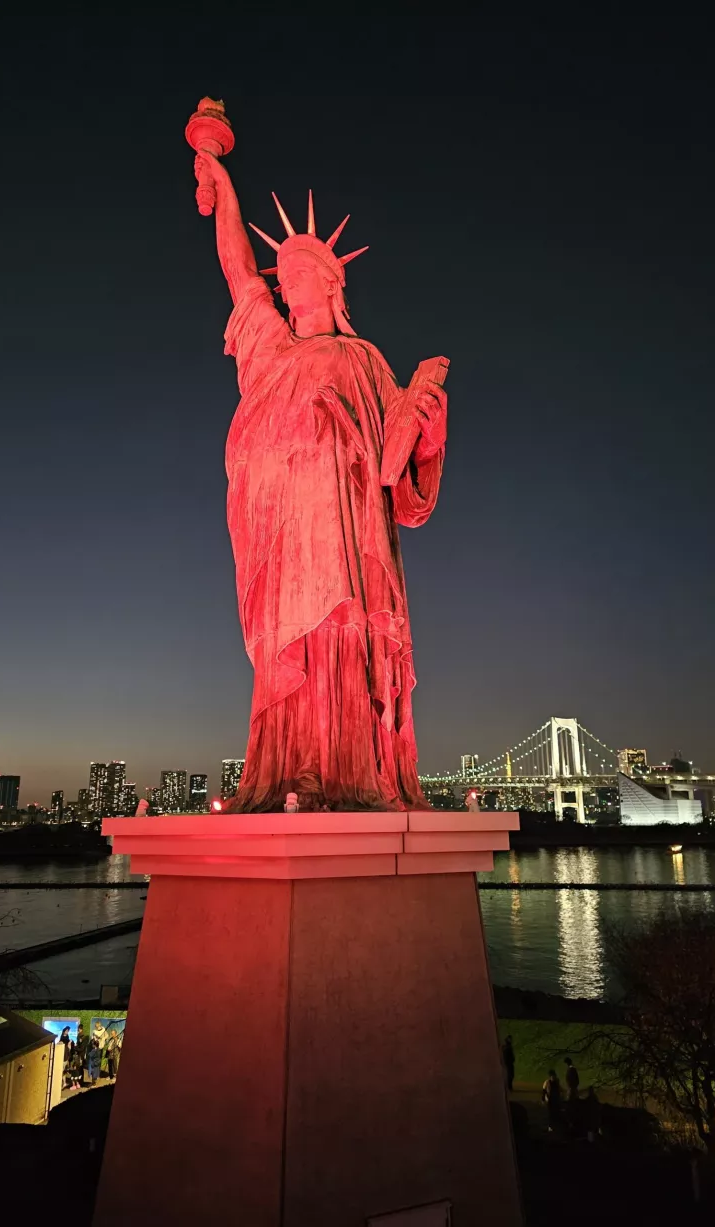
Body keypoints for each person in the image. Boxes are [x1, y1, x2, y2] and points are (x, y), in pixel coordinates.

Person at [193, 125, 447, 812]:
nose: (292, 283)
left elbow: (405, 485)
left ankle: (346, 766)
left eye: (306, 274)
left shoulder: (363, 359)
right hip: (276, 527)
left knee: (338, 632)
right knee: (287, 646)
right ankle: (289, 768)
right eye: (289, 275)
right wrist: (221, 183)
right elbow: (239, 272)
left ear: (333, 285)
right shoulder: (269, 347)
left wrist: (426, 424)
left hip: (342, 529)